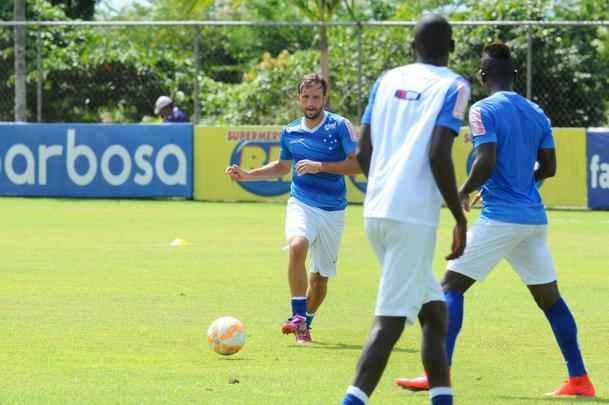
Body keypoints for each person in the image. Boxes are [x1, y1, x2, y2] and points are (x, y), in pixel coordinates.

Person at [396, 43, 596, 398]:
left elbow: (486, 159)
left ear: (482, 76)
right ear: (515, 75)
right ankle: (579, 378)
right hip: (533, 219)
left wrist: (463, 191)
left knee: (450, 288)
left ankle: (438, 375)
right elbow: (549, 167)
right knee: (551, 300)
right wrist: (521, 182)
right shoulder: (536, 112)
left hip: (501, 218)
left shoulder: (481, 109)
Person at [341, 14, 470, 405]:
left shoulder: (387, 80)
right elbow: (438, 154)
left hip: (375, 211)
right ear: (451, 48)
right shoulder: (455, 85)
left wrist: (385, 182)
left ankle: (442, 398)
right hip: (411, 217)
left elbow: (363, 152)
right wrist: (459, 215)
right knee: (390, 324)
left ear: (411, 47)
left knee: (434, 315)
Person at [225, 73, 360, 344]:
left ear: (324, 98)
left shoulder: (339, 126)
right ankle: (297, 316)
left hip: (333, 210)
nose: (311, 102)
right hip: (301, 202)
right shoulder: (289, 131)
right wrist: (248, 174)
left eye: (316, 97)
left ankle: (305, 324)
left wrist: (320, 166)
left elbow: (358, 165)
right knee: (297, 245)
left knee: (320, 281)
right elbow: (282, 167)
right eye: (306, 97)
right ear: (299, 98)